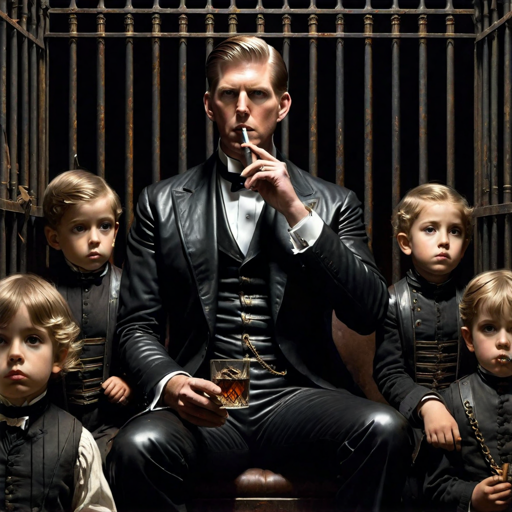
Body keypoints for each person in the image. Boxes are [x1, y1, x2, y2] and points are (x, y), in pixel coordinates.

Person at [108, 35, 411, 512]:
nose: (243, 108)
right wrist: (172, 383)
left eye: (259, 95)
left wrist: (296, 211)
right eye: (229, 95)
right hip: (209, 401)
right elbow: (136, 325)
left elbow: (369, 309)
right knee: (136, 448)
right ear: (210, 106)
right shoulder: (160, 203)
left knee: (386, 431)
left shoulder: (333, 203)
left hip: (295, 398)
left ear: (283, 104)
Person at [374, 183, 475, 506]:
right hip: (412, 427)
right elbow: (389, 372)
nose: (444, 240)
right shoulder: (391, 301)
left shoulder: (473, 304)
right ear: (405, 243)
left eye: (455, 232)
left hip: (465, 425)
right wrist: (428, 404)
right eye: (430, 229)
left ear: (466, 243)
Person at [0, 273, 116, 511]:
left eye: (32, 339)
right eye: (0, 340)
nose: (14, 353)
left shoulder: (78, 442)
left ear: (58, 357)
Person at [43, 170, 132, 462]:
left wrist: (129, 381)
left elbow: (149, 343)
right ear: (54, 238)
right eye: (80, 228)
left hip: (112, 423)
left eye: (104, 226)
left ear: (116, 232)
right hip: (52, 420)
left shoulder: (130, 287)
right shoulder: (43, 292)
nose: (95, 239)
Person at [424, 270, 512, 512]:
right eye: (490, 328)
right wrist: (472, 495)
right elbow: (434, 486)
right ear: (469, 338)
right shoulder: (450, 403)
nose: (503, 341)